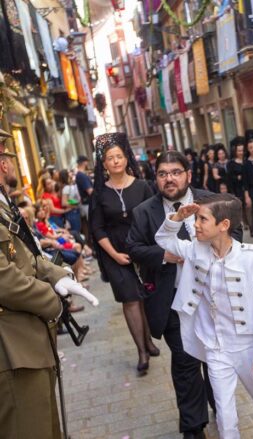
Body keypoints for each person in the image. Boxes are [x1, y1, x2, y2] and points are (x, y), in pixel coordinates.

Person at [128, 151, 243, 439]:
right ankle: (193, 427)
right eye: (163, 173)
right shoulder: (145, 211)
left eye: (176, 172)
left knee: (216, 359)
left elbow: (237, 234)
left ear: (188, 175)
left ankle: (221, 406)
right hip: (174, 302)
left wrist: (211, 248)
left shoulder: (212, 201)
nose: (170, 178)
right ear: (155, 178)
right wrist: (165, 255)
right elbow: (134, 248)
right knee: (186, 361)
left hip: (214, 299)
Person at [155, 193, 253, 439]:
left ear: (223, 225)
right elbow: (162, 238)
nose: (195, 224)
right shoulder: (195, 250)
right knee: (225, 413)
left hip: (246, 345)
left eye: (202, 219)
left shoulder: (249, 258)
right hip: (215, 346)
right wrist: (177, 217)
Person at [0, 129, 98, 439]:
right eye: (4, 154)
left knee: (46, 427)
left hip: (26, 341)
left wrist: (60, 276)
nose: (7, 162)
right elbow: (5, 280)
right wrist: (53, 302)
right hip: (10, 349)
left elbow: (26, 256)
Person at [89, 132, 159, 375]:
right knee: (130, 299)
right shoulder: (99, 193)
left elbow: (154, 218)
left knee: (146, 297)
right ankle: (141, 350)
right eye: (110, 158)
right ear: (104, 164)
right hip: (114, 253)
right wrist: (115, 255)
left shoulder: (143, 187)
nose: (116, 161)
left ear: (127, 159)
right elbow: (96, 228)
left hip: (142, 248)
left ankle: (149, 339)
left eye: (119, 156)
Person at [228, 136, 250, 229]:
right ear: (235, 152)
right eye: (239, 151)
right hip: (238, 187)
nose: (241, 152)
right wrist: (237, 177)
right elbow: (229, 176)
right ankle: (245, 222)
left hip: (249, 186)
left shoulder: (247, 161)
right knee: (242, 206)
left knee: (249, 205)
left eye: (242, 150)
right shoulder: (231, 163)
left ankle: (251, 222)